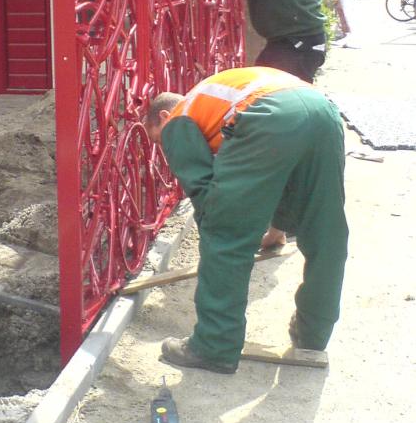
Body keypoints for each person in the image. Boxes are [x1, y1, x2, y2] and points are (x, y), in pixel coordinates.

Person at [145, 66, 349, 375]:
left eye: (158, 142)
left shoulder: (178, 117)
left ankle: (214, 346)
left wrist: (228, 230)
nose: (165, 149)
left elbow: (207, 202)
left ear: (161, 118)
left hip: (268, 115)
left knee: (223, 230)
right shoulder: (216, 98)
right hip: (322, 111)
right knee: (325, 229)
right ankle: (312, 336)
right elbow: (284, 177)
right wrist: (276, 230)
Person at [169, 0, 327, 250]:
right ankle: (283, 225)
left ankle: (284, 226)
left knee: (278, 129)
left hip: (298, 44)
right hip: (288, 42)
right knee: (280, 127)